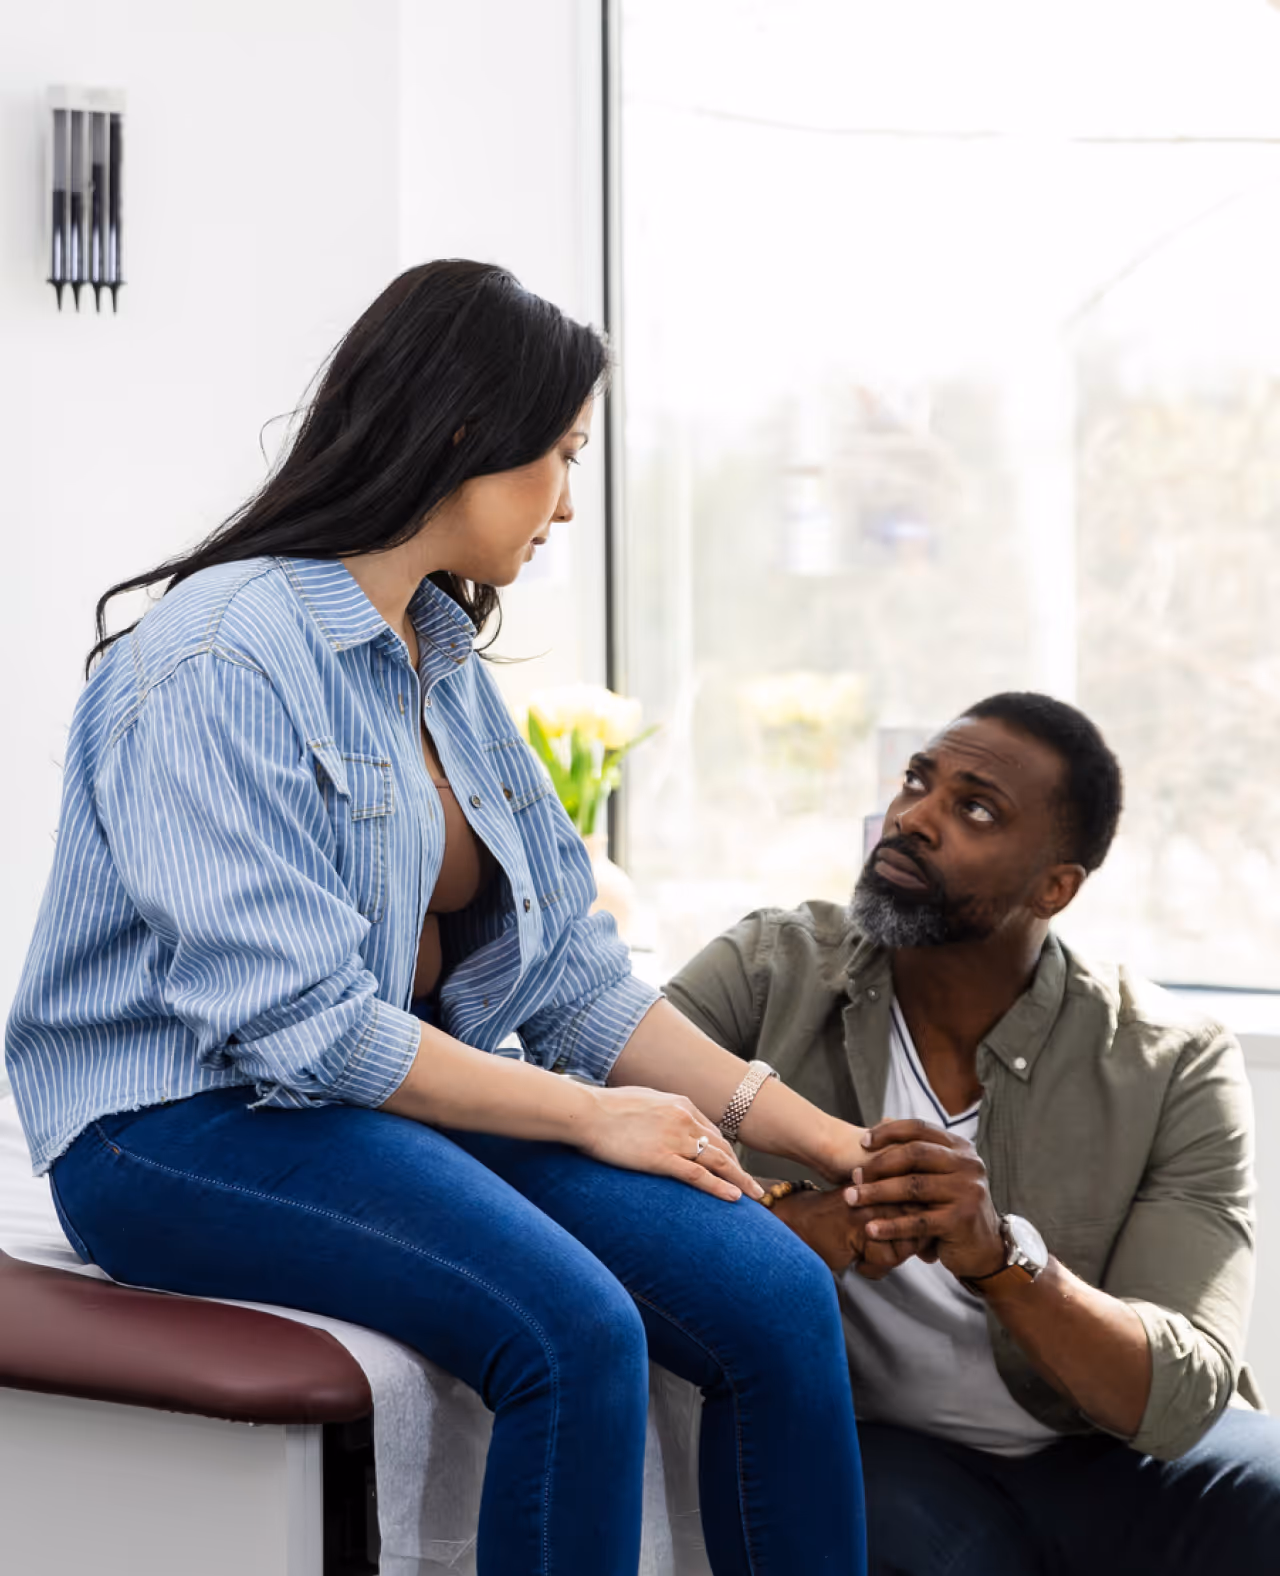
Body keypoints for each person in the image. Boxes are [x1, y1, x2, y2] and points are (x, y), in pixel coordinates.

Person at [4, 261, 872, 1576]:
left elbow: (573, 981)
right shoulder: (216, 656)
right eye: (560, 459)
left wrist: (830, 1141)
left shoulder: (446, 664)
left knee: (776, 1296)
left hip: (379, 1101)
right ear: (465, 434)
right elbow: (299, 1033)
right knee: (572, 1333)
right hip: (170, 1125)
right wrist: (591, 1115)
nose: (570, 505)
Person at [665, 692, 1280, 1576]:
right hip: (882, 1440)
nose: (913, 817)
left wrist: (1000, 1257)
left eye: (974, 807)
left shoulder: (1174, 1063)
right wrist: (799, 1221)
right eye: (919, 780)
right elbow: (597, 1140)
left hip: (1112, 1451)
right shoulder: (772, 968)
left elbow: (1178, 1393)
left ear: (1054, 887)